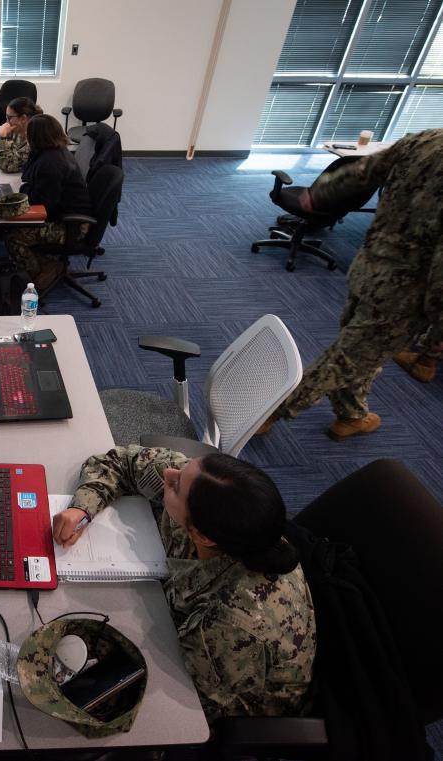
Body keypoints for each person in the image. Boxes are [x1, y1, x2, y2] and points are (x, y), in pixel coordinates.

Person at [52, 446, 316, 722]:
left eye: (176, 486)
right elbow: (122, 462)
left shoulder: (235, 621)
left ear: (201, 536)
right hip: (170, 616)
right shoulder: (204, 488)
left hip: (222, 700)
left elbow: (186, 702)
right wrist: (81, 508)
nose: (169, 473)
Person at [260, 128, 443, 440]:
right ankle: (268, 413)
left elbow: (364, 170)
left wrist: (319, 194)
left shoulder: (428, 139)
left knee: (361, 350)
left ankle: (352, 414)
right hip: (403, 294)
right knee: (347, 358)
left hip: (369, 267)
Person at [4, 114, 92, 291]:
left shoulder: (51, 163)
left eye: (29, 134)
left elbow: (43, 205)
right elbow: (27, 176)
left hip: (71, 225)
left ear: (35, 137)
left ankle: (41, 273)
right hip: (62, 214)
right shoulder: (49, 152)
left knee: (13, 237)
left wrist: (22, 193)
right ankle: (48, 261)